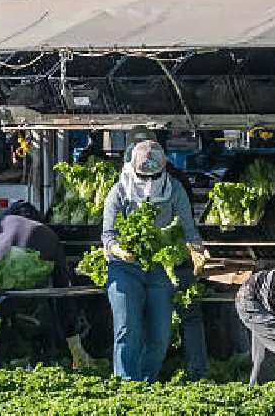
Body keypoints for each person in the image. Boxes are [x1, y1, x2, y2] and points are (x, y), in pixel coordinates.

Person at [102, 140, 205, 382]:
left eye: (154, 176)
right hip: (124, 268)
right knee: (128, 330)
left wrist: (196, 251)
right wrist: (117, 249)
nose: (149, 182)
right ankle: (126, 384)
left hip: (159, 269)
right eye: (143, 176)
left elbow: (188, 229)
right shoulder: (119, 191)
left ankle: (146, 381)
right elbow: (108, 234)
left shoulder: (174, 189)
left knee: (160, 334)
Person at [0, 201, 95, 372]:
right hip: (28, 299)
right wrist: (73, 340)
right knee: (43, 333)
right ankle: (40, 372)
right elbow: (62, 291)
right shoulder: (47, 234)